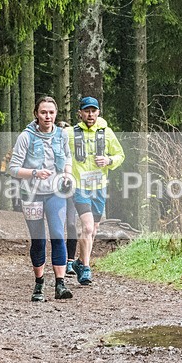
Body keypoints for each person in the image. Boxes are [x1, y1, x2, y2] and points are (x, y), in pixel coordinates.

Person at [8, 96, 74, 302]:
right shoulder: (25, 137)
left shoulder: (62, 135)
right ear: (36, 114)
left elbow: (67, 158)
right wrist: (35, 173)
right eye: (44, 112)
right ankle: (39, 285)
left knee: (57, 234)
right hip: (32, 194)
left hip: (56, 192)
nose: (48, 116)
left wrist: (67, 174)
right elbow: (13, 169)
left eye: (51, 112)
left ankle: (60, 284)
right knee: (38, 239)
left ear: (56, 114)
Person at [65, 96, 125, 285]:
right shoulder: (69, 133)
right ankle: (86, 269)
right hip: (79, 187)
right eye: (86, 111)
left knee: (93, 230)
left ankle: (78, 263)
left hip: (99, 187)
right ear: (80, 113)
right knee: (88, 227)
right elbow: (60, 154)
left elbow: (120, 154)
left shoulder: (106, 132)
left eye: (93, 110)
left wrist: (109, 161)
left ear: (98, 112)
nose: (90, 114)